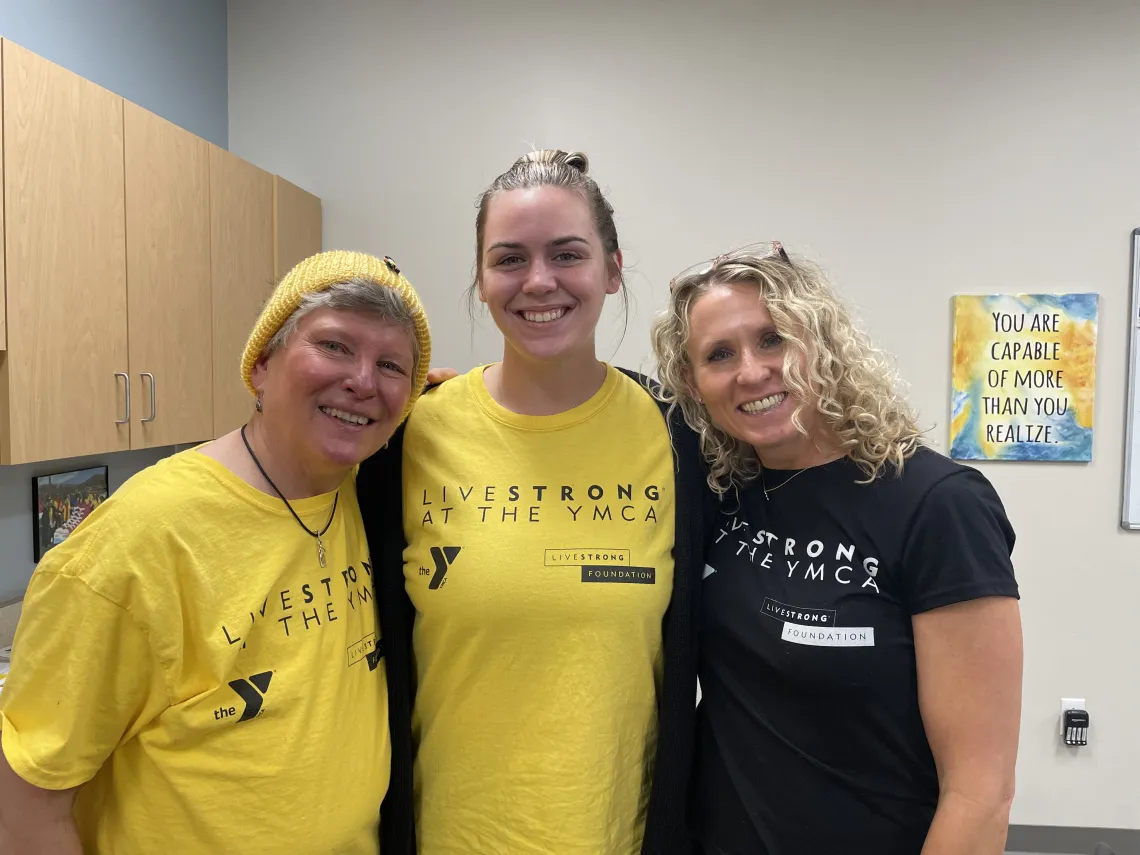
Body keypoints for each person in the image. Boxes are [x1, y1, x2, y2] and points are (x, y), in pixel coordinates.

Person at [0, 250, 431, 855]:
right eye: (334, 346)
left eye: (391, 365)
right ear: (260, 365)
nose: (363, 380)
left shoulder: (367, 497)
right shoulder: (138, 541)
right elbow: (23, 806)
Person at [358, 150, 711, 855]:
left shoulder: (680, 433)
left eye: (567, 254)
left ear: (612, 269)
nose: (539, 281)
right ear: (482, 280)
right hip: (448, 834)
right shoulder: (408, 435)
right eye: (509, 258)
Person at [649, 243, 1023, 855]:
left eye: (772, 339)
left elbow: (981, 792)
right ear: (695, 384)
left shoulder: (936, 505)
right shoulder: (716, 494)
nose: (750, 371)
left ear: (821, 341)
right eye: (720, 355)